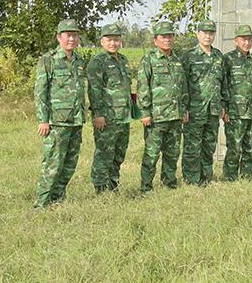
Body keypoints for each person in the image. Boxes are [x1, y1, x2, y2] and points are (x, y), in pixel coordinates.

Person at [34, 19, 86, 208]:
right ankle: (41, 203)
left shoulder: (79, 61)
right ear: (59, 37)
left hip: (75, 120)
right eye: (68, 35)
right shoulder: (48, 60)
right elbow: (40, 92)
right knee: (52, 164)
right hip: (57, 122)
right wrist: (43, 120)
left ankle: (57, 199)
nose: (72, 39)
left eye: (75, 35)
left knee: (69, 164)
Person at [137, 20, 190, 192]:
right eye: (163, 36)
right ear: (155, 40)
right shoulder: (149, 60)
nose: (167, 39)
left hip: (175, 116)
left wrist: (184, 109)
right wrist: (145, 112)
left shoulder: (177, 60)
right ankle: (146, 187)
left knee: (172, 154)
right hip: (156, 117)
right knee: (151, 155)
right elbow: (143, 87)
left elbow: (183, 87)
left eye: (170, 36)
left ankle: (169, 184)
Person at [87, 23, 132, 194]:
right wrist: (98, 114)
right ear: (102, 41)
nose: (113, 43)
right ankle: (100, 189)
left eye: (116, 40)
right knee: (104, 155)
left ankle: (113, 186)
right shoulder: (97, 63)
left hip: (123, 116)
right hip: (106, 118)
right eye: (109, 40)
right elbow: (94, 90)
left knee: (118, 155)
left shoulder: (123, 61)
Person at [182, 20, 227, 186]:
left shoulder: (218, 56)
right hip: (195, 110)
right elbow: (182, 84)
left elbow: (224, 83)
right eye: (205, 33)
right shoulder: (189, 56)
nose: (208, 36)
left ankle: (206, 179)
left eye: (211, 33)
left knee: (209, 146)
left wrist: (224, 105)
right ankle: (191, 180)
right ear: (198, 34)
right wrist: (184, 108)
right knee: (192, 148)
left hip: (213, 110)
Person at [222, 24, 252, 181]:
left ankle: (246, 179)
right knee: (234, 148)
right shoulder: (228, 59)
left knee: (249, 149)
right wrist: (224, 109)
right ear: (236, 41)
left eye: (249, 39)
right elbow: (223, 86)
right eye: (243, 39)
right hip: (235, 113)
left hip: (251, 112)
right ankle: (230, 179)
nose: (246, 42)